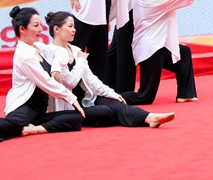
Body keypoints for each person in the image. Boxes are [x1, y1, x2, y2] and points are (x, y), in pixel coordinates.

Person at [0, 7, 85, 148]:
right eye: (36, 26)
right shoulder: (24, 55)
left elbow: (60, 51)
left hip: (39, 110)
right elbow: (46, 82)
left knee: (75, 117)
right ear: (22, 29)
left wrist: (55, 67)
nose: (41, 29)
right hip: (25, 106)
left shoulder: (38, 47)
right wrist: (72, 99)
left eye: (40, 25)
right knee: (15, 123)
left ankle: (35, 129)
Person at [43, 11, 175, 128]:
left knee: (114, 102)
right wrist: (81, 61)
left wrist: (112, 93)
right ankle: (138, 118)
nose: (74, 30)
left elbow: (92, 80)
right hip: (70, 107)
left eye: (74, 27)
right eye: (70, 26)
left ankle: (150, 117)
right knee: (105, 112)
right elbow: (70, 82)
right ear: (57, 29)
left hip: (87, 99)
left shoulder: (76, 51)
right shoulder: (50, 52)